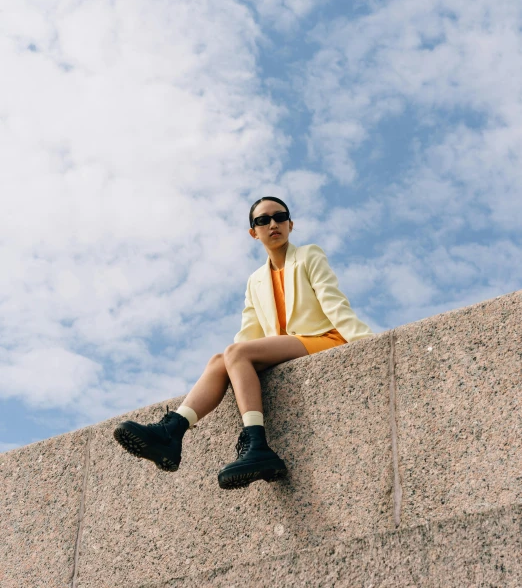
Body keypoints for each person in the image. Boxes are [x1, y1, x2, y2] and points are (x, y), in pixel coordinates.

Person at [113, 196, 374, 490]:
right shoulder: (256, 280)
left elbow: (335, 304)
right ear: (254, 232)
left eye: (279, 217)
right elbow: (247, 335)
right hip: (286, 346)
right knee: (219, 359)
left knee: (233, 353)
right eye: (263, 220)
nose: (272, 224)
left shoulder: (309, 255)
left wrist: (366, 344)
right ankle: (171, 433)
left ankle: (257, 444)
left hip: (323, 339)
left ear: (290, 224)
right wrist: (228, 366)